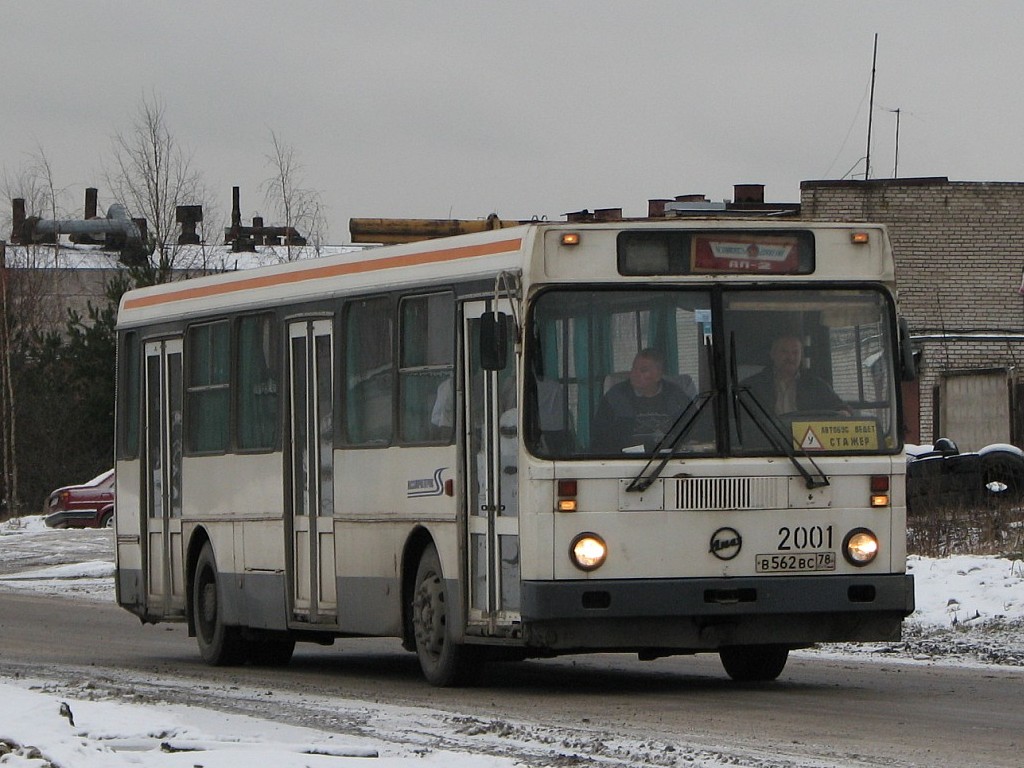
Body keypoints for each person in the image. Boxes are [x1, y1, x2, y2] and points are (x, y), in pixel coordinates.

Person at [591, 348, 694, 453]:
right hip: (626, 460)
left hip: (670, 460)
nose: (635, 374)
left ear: (658, 375)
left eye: (643, 371)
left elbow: (696, 430)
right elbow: (599, 438)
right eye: (634, 368)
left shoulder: (676, 396)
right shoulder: (616, 397)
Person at [739, 334, 849, 416]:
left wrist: (843, 413)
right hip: (767, 441)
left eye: (795, 353)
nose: (790, 358)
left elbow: (841, 408)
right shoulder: (751, 386)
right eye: (784, 352)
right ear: (773, 354)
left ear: (801, 356)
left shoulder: (816, 385)